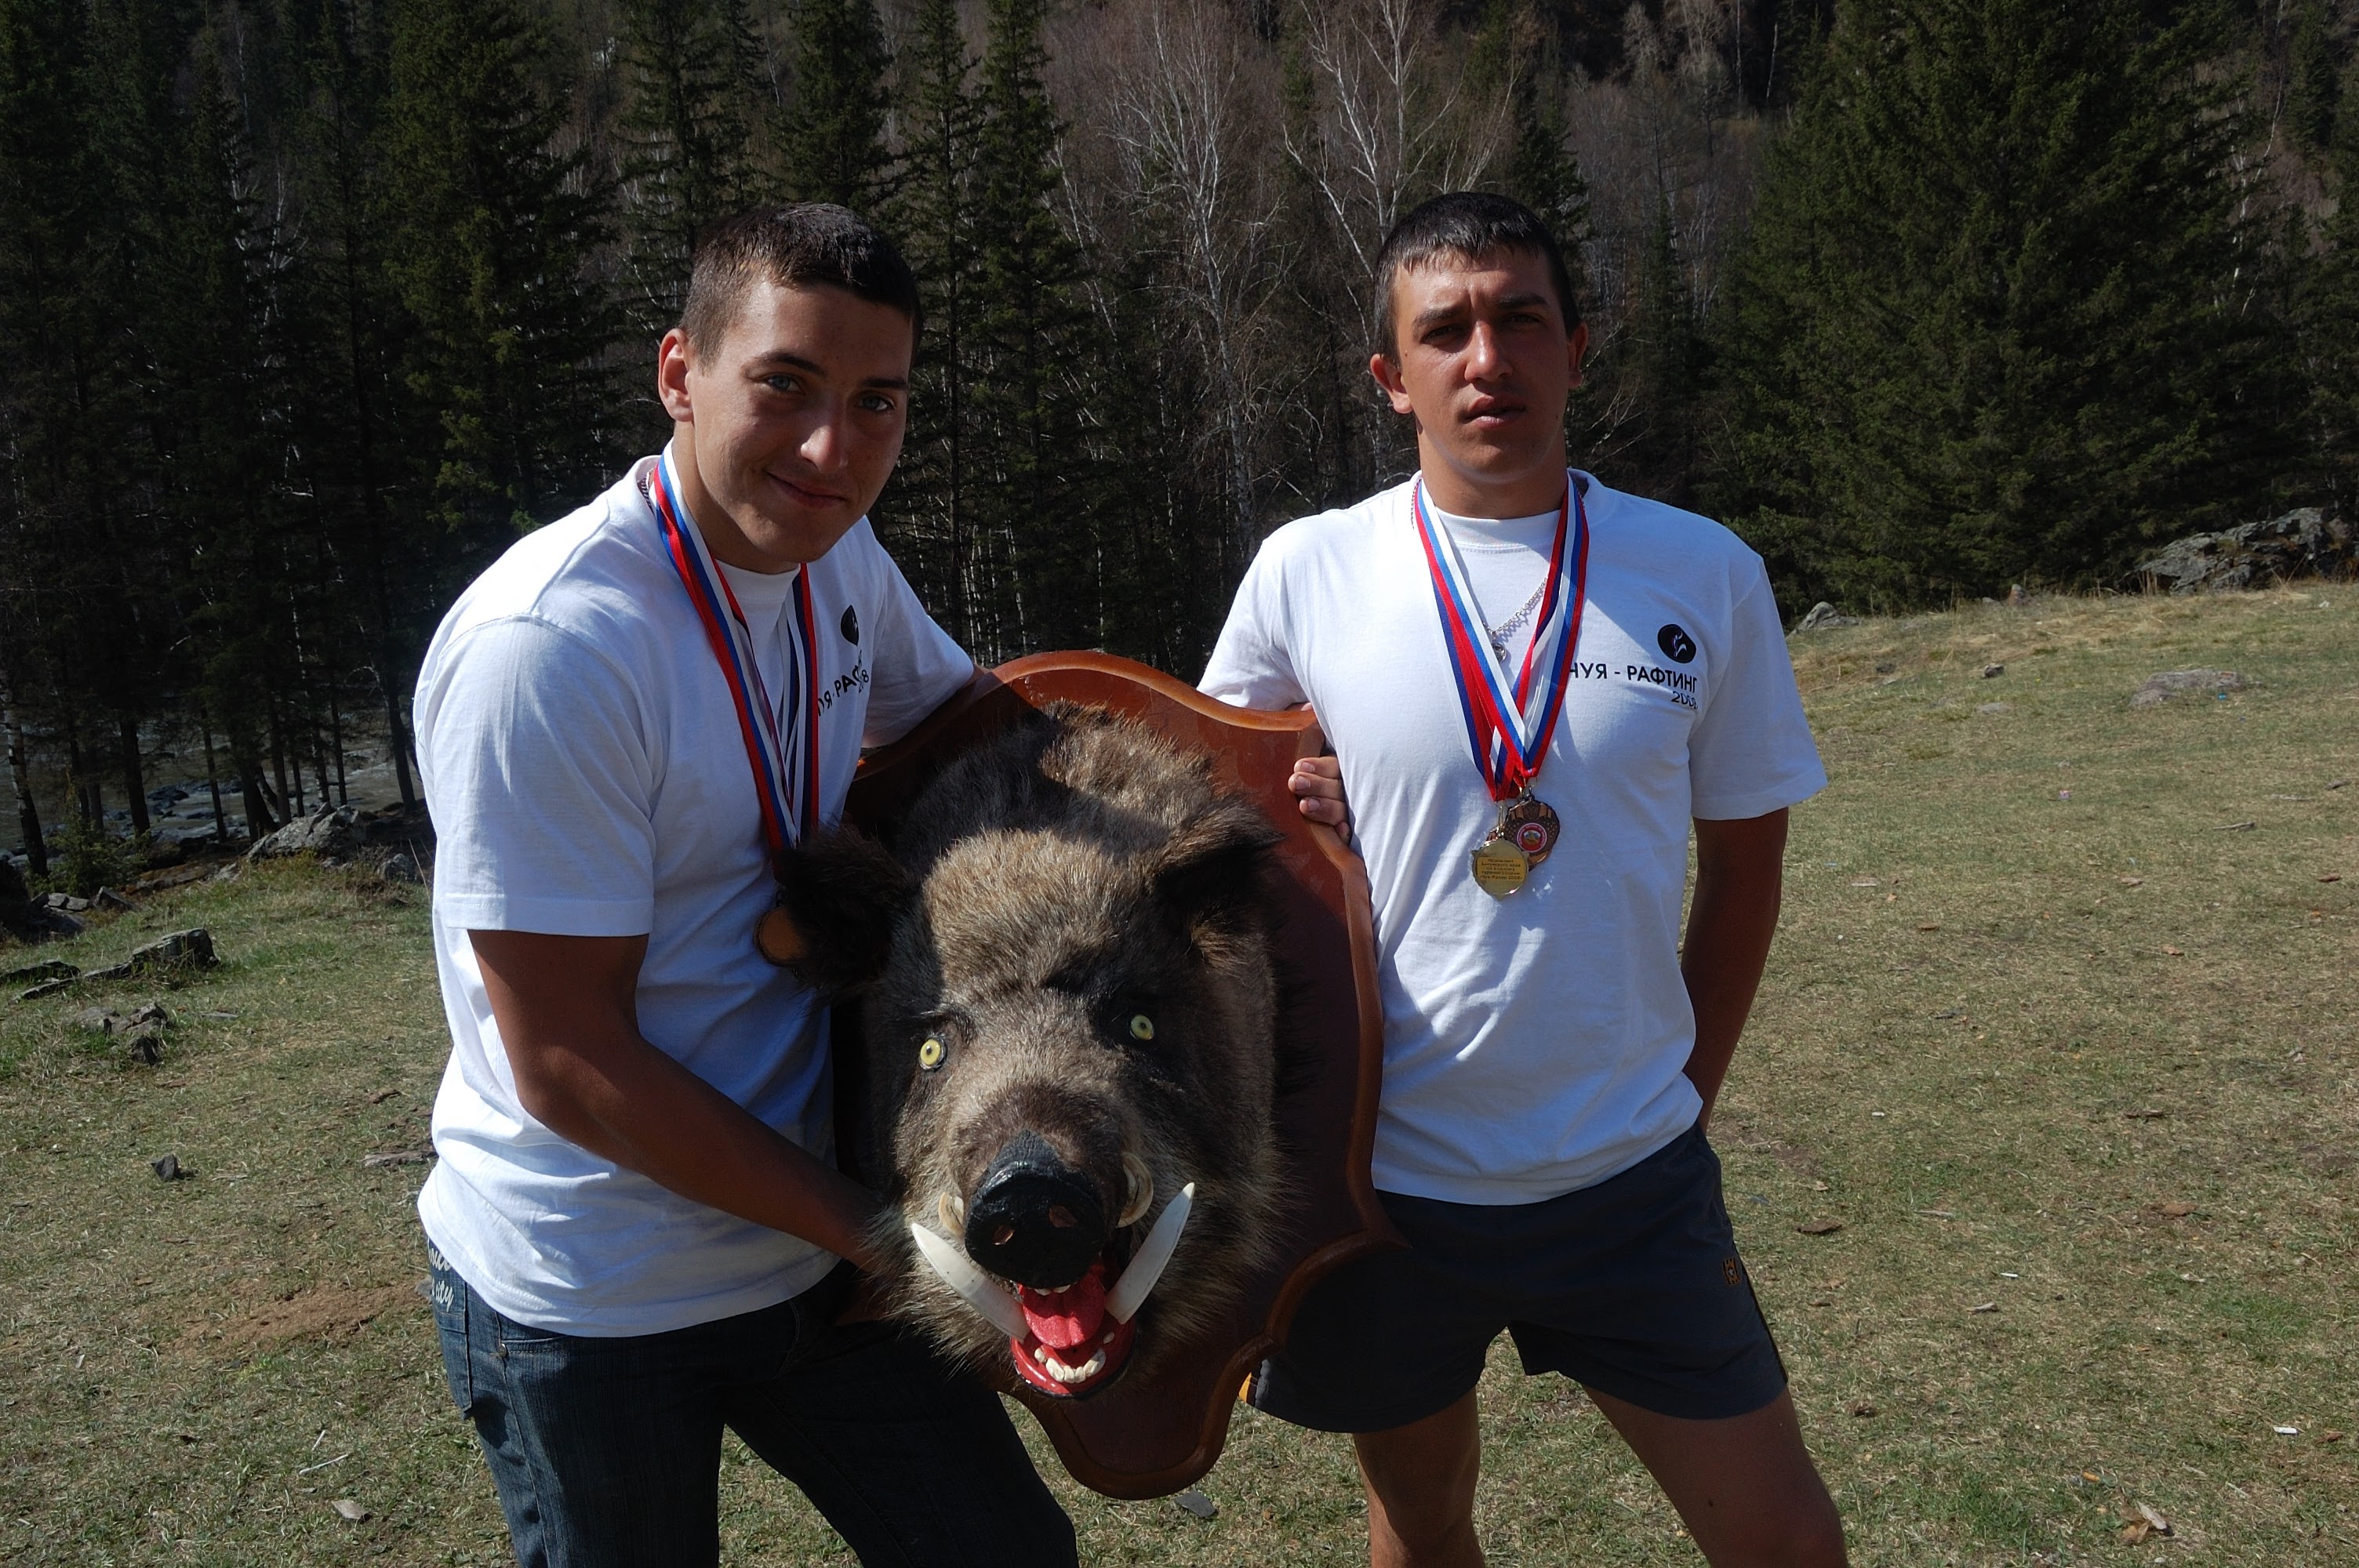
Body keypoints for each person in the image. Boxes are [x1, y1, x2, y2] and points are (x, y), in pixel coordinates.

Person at [410, 204, 1096, 1567]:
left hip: (814, 1247)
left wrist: (1250, 781)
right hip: (595, 1293)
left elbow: (973, 727)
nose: (833, 448)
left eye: (877, 401)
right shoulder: (552, 649)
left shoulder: (834, 554)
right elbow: (568, 1062)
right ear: (680, 372)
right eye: (785, 385)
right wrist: (881, 1234)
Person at [1198, 191, 1846, 1567]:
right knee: (1423, 1522)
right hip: (1386, 1183)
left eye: (1521, 320)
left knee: (1788, 1542)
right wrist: (1300, 808)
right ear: (1392, 377)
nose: (1486, 359)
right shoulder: (1308, 572)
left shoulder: (1703, 570)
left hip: (1630, 1180)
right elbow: (1215, 821)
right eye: (1445, 331)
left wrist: (1681, 1096)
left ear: (1577, 347)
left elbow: (1747, 867)